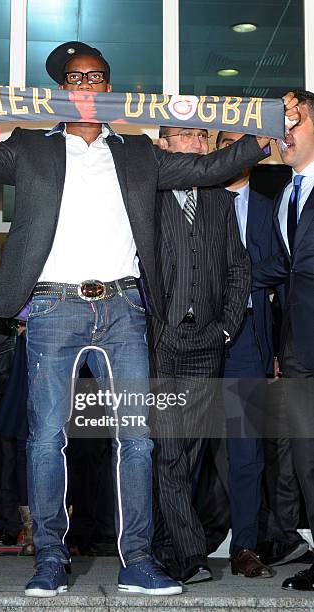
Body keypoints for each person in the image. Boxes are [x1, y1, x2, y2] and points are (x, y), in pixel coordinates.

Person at [0, 45, 299, 598]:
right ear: (62, 89)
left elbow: (209, 165)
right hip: (51, 309)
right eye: (77, 77)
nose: (89, 84)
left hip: (123, 311)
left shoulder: (138, 153)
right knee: (45, 440)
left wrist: (268, 132)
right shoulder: (29, 149)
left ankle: (137, 560)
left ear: (110, 86)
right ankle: (50, 560)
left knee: (137, 440)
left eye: (99, 76)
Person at [149, 125, 250, 584]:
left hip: (207, 343)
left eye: (202, 138)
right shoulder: (145, 199)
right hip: (159, 342)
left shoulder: (219, 203)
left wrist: (227, 327)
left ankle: (165, 545)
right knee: (170, 449)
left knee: (191, 452)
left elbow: (237, 268)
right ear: (163, 146)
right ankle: (190, 555)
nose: (198, 144)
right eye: (185, 137)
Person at [251, 89, 314, 592]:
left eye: (292, 122)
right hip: (296, 349)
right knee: (304, 455)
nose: (282, 134)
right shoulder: (281, 199)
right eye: (279, 125)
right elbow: (279, 270)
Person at [213, 130, 278, 578]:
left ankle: (246, 546)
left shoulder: (273, 203)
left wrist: (240, 275)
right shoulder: (192, 197)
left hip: (249, 339)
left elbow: (288, 263)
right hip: (193, 336)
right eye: (229, 143)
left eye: (246, 143)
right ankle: (177, 541)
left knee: (246, 450)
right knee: (181, 445)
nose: (239, 150)